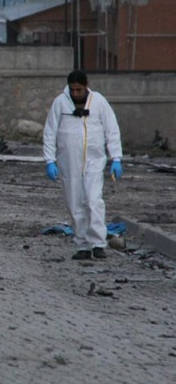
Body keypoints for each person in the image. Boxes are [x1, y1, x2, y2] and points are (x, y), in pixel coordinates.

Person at [43, 70, 123, 260]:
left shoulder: (99, 102)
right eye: (73, 90)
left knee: (94, 200)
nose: (76, 94)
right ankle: (83, 245)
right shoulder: (60, 103)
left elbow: (112, 129)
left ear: (86, 86)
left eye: (79, 89)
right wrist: (49, 160)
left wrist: (116, 157)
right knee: (74, 202)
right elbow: (50, 132)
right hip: (68, 161)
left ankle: (98, 243)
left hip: (94, 160)